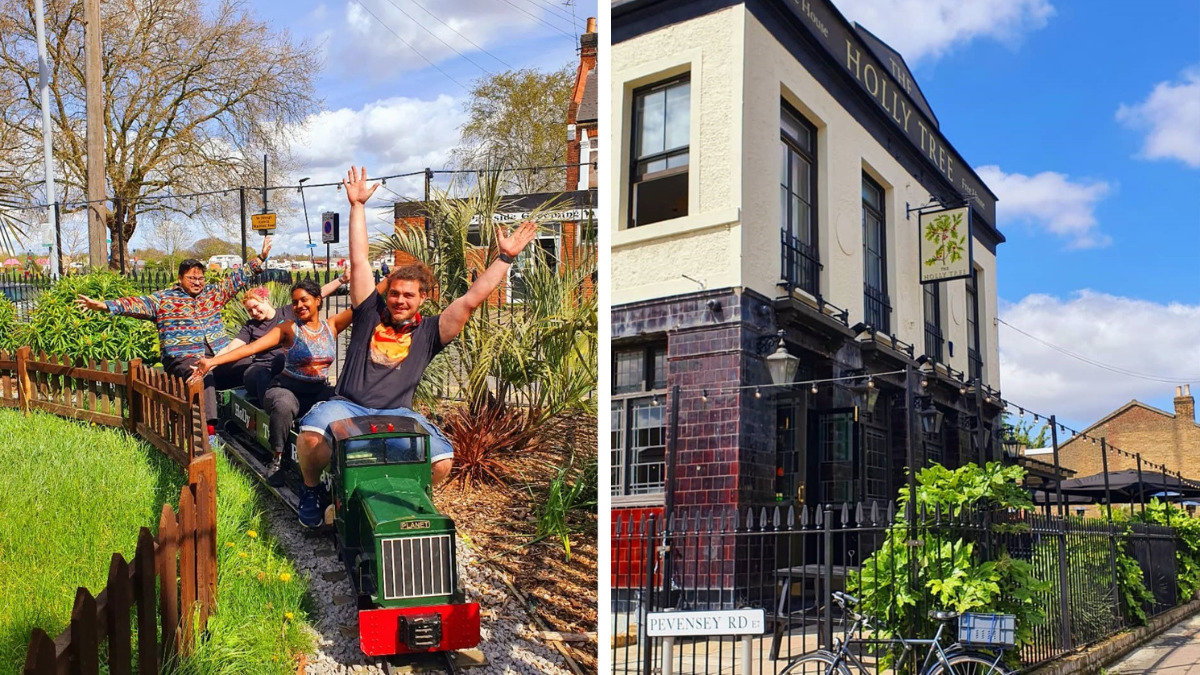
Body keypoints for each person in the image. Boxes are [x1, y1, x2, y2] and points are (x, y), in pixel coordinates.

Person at [292, 166, 538, 528]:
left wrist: (505, 258)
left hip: (398, 415)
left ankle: (402, 499)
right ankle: (313, 490)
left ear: (424, 297)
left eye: (409, 295)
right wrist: (357, 207)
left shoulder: (432, 331)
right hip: (347, 406)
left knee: (441, 460)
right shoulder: (368, 314)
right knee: (312, 436)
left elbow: (471, 299)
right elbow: (360, 261)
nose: (399, 300)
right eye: (394, 293)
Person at [75, 237, 272, 427]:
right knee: (203, 375)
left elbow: (237, 279)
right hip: (183, 358)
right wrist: (104, 306)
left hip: (218, 354)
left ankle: (254, 416)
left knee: (251, 366)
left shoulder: (213, 294)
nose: (197, 282)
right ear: (180, 278)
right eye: (192, 278)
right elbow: (135, 304)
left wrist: (260, 258)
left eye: (200, 278)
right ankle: (209, 431)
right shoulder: (164, 299)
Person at [190, 278, 350, 487]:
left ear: (318, 300)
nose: (299, 305)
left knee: (344, 400)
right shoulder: (287, 327)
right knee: (282, 401)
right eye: (295, 302)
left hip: (317, 387)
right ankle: (278, 458)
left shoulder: (330, 325)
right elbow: (249, 349)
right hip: (285, 386)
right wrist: (211, 362)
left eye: (304, 300)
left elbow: (365, 305)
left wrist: (392, 279)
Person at [222, 274, 347, 403]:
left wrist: (341, 280)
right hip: (260, 368)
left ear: (265, 299)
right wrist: (211, 363)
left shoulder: (288, 312)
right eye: (249, 310)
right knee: (261, 373)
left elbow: (315, 295)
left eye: (255, 307)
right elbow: (234, 347)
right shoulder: (250, 326)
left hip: (283, 366)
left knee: (280, 360)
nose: (254, 312)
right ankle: (268, 407)